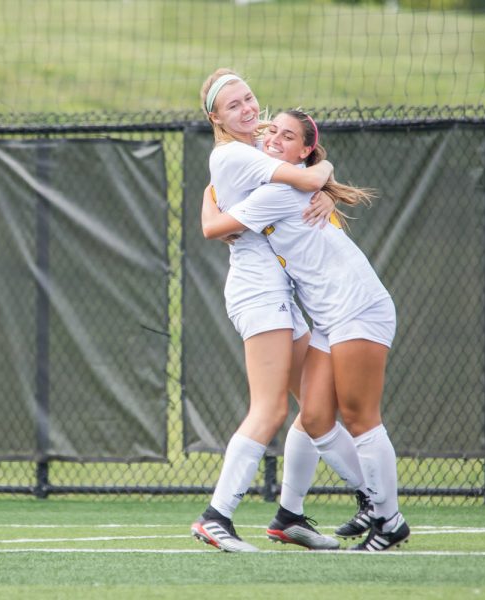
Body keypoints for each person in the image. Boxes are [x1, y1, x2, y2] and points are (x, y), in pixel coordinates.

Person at [201, 109, 410, 552]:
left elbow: (212, 227)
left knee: (360, 418)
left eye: (288, 135)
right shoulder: (287, 178)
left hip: (358, 306)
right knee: (314, 417)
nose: (273, 138)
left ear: (304, 150)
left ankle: (388, 520)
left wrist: (211, 191)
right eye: (271, 130)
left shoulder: (280, 188)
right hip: (328, 317)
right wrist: (321, 176)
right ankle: (297, 514)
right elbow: (310, 177)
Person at [191, 69, 365, 552]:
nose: (247, 108)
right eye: (233, 106)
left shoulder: (248, 151)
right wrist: (321, 173)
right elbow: (309, 174)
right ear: (216, 118)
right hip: (258, 292)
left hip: (278, 293)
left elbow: (218, 206)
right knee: (268, 409)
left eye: (249, 98)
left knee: (315, 409)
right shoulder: (235, 154)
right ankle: (216, 516)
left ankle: (290, 516)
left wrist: (316, 182)